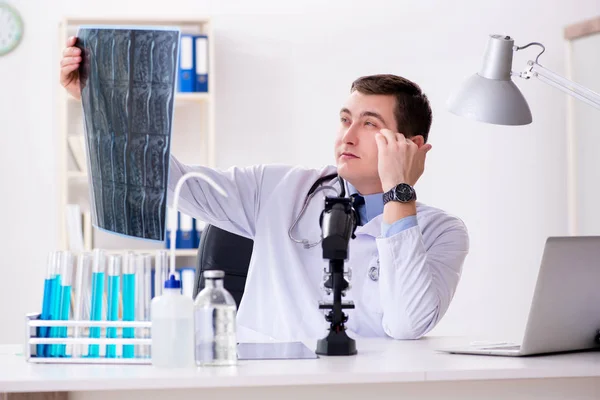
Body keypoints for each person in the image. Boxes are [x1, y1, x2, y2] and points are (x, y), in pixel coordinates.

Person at [60, 36, 469, 341]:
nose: (348, 135)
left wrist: (399, 191)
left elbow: (408, 324)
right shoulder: (279, 188)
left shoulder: (442, 232)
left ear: (411, 147)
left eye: (369, 124)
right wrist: (99, 101)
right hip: (269, 383)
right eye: (346, 119)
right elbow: (172, 183)